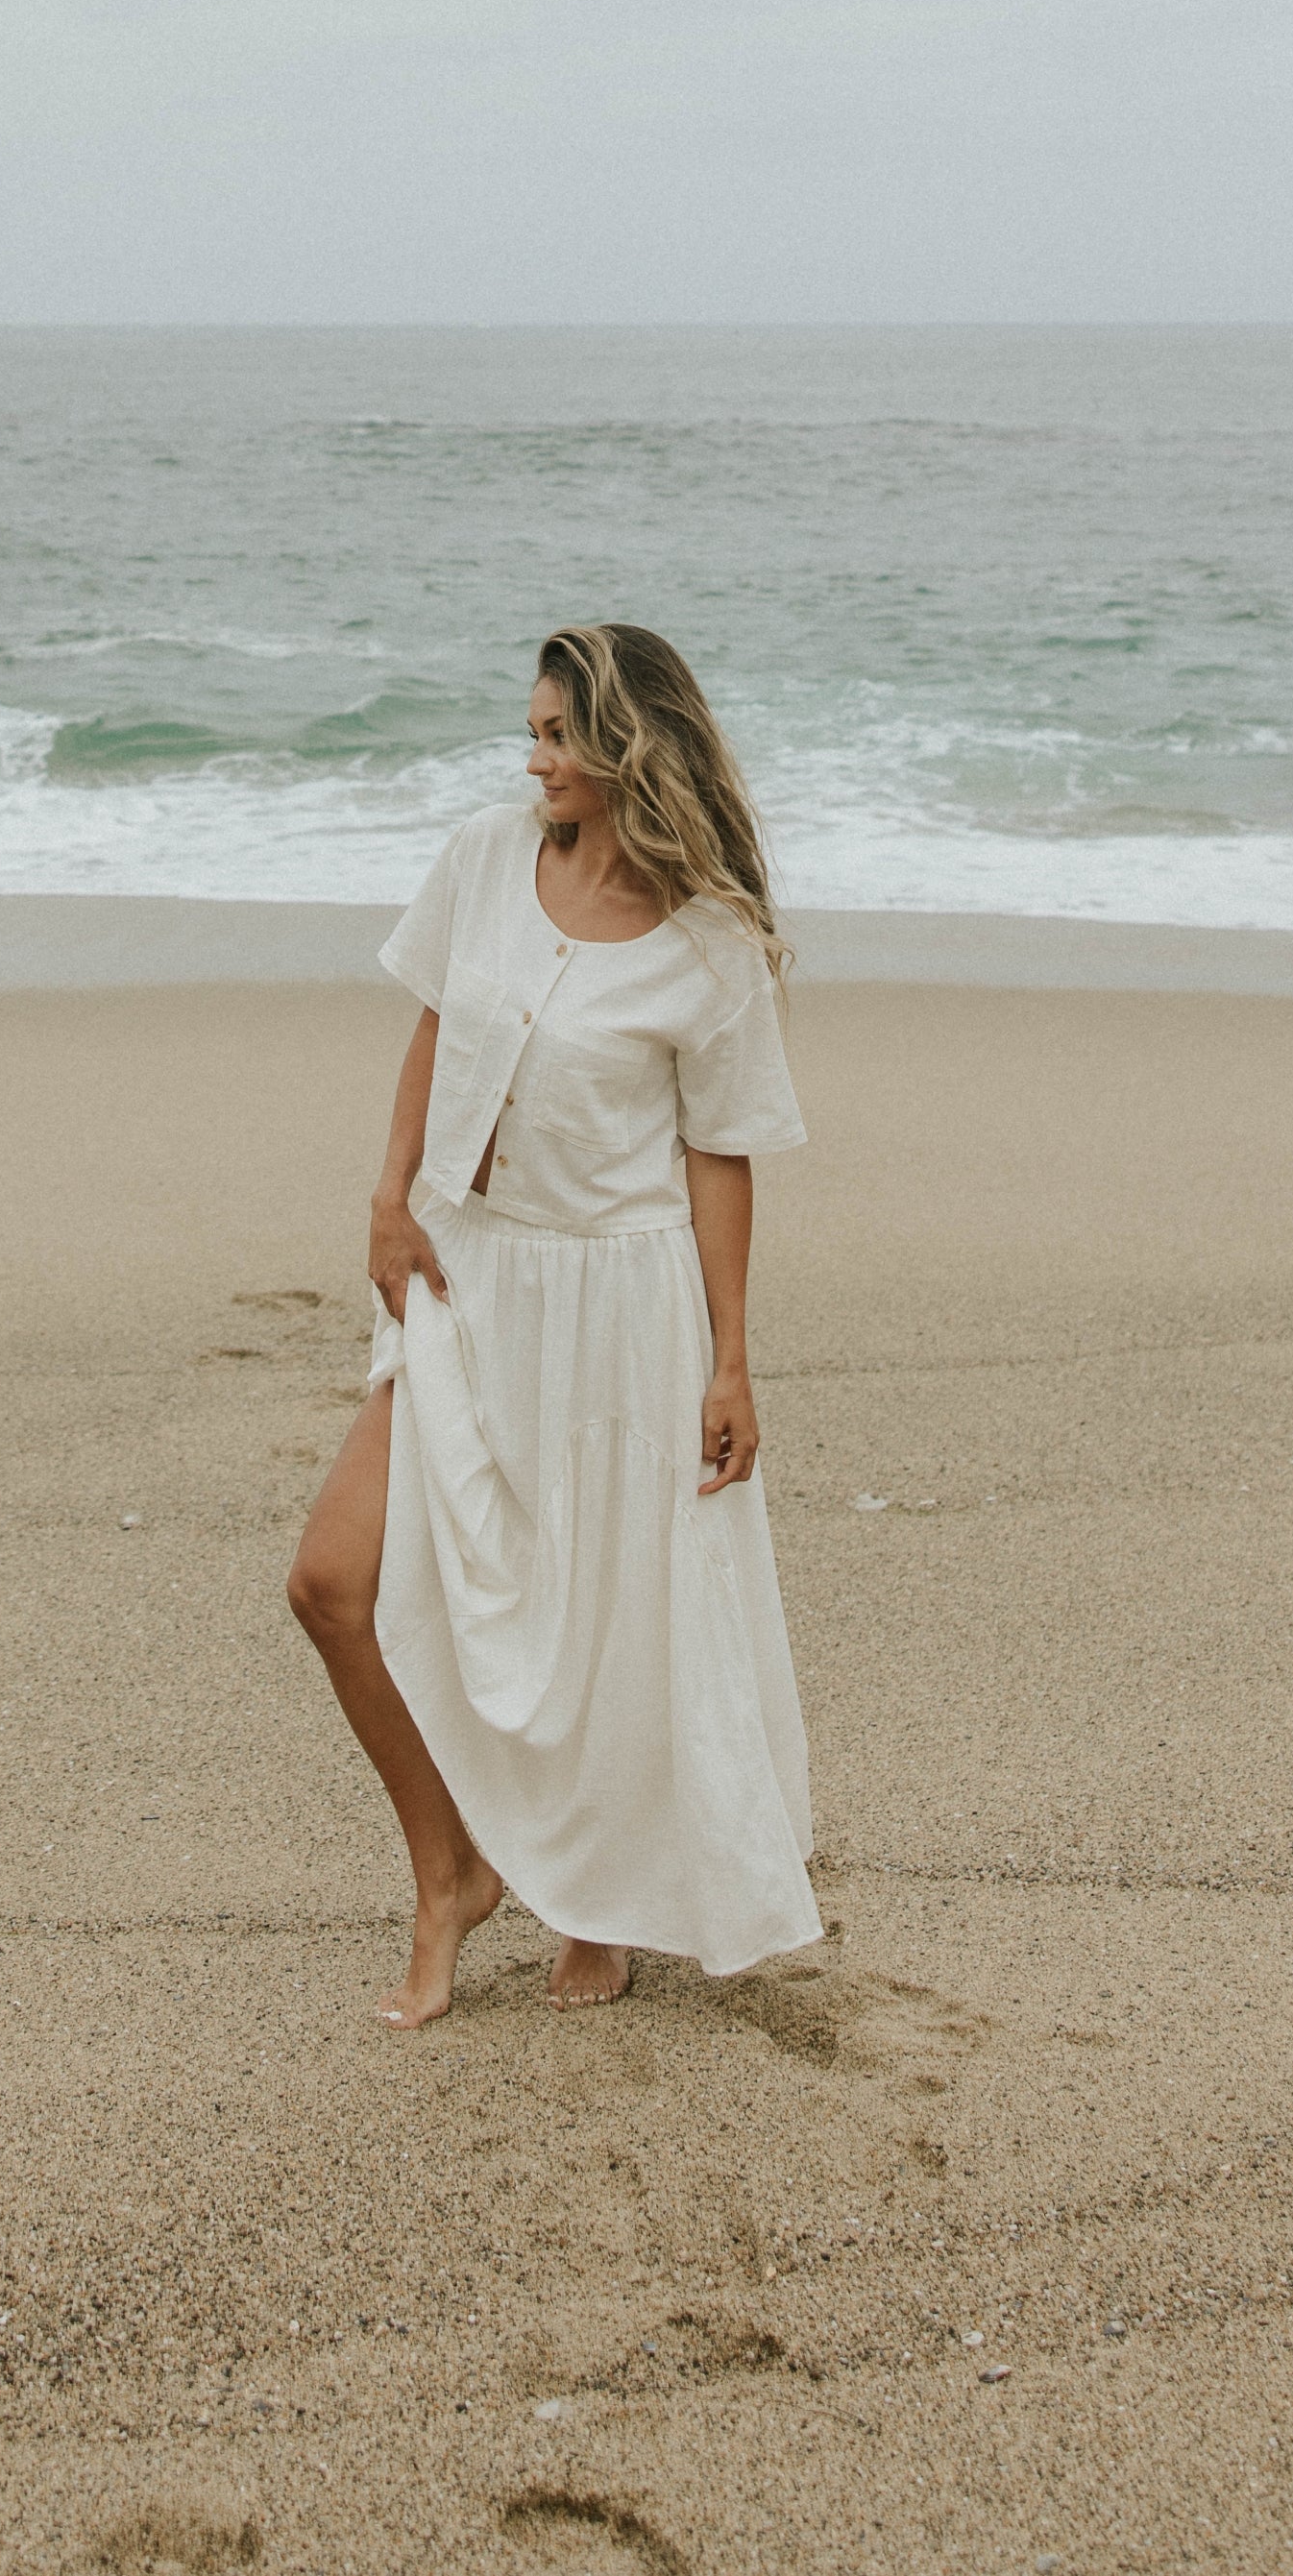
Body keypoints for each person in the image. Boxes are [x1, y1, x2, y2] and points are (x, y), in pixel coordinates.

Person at [286, 621, 820, 2028]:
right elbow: (429, 1029)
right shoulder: (482, 857)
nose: (535, 760)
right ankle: (450, 1868)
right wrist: (390, 1202)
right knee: (332, 1581)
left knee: (600, 1626)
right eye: (527, 732)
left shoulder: (711, 944)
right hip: (466, 1283)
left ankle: (592, 1900)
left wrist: (731, 1356)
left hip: (618, 1306)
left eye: (558, 737)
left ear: (631, 745)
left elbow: (722, 1153)